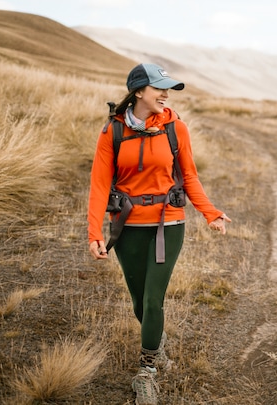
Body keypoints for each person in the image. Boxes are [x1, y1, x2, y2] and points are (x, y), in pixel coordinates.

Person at [87, 63, 231, 405]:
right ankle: (157, 345)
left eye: (169, 89)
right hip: (127, 226)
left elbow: (190, 176)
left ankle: (146, 372)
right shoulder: (113, 131)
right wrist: (94, 231)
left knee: (154, 299)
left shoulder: (175, 127)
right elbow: (98, 184)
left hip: (170, 222)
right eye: (159, 88)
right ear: (138, 92)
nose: (166, 95)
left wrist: (210, 212)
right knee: (139, 302)